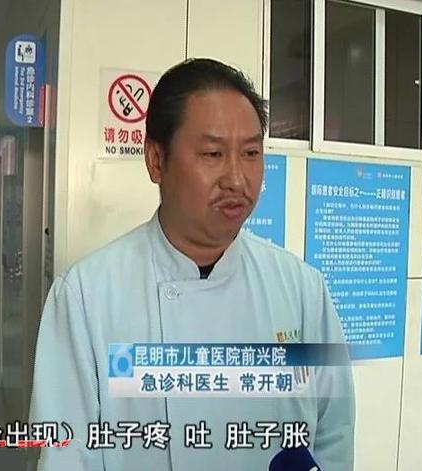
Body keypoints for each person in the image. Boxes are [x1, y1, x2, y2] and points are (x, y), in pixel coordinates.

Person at [29, 58, 355, 470]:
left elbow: (333, 432)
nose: (237, 179)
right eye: (213, 153)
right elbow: (64, 452)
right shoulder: (86, 296)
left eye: (251, 153)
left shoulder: (301, 288)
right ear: (156, 160)